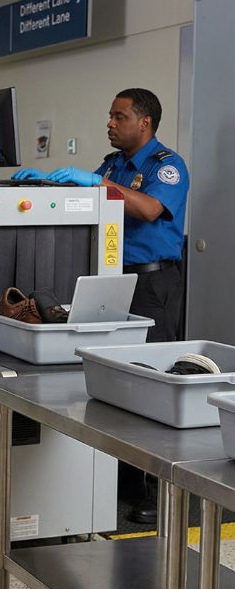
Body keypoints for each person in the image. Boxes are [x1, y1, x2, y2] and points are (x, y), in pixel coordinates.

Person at [14, 88, 190, 522]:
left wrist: (98, 185)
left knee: (154, 381)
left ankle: (158, 492)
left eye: (119, 116)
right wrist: (46, 184)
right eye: (110, 116)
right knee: (115, 378)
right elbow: (86, 198)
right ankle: (126, 478)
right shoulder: (113, 165)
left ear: (144, 122)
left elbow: (149, 209)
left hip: (153, 282)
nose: (110, 123)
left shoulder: (166, 166)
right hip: (112, 280)